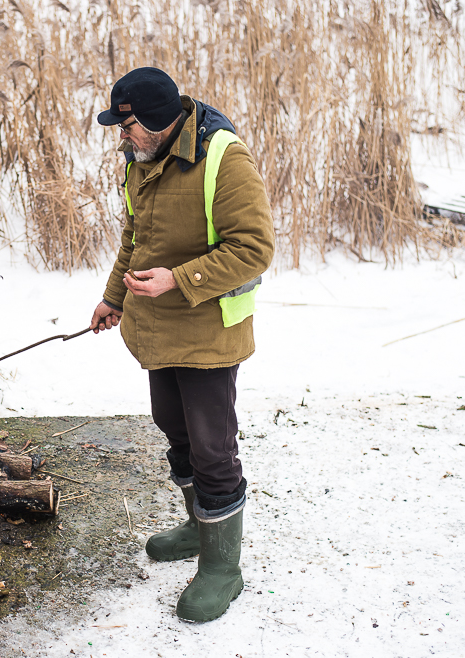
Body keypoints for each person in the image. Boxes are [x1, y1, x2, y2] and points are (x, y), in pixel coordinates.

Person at [89, 67, 275, 622]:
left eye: (126, 126)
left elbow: (254, 248)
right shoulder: (141, 160)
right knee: (173, 427)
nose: (121, 137)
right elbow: (135, 236)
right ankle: (200, 527)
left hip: (209, 333)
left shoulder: (224, 158)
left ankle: (223, 567)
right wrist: (112, 297)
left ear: (156, 120)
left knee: (213, 449)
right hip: (157, 330)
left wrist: (180, 279)